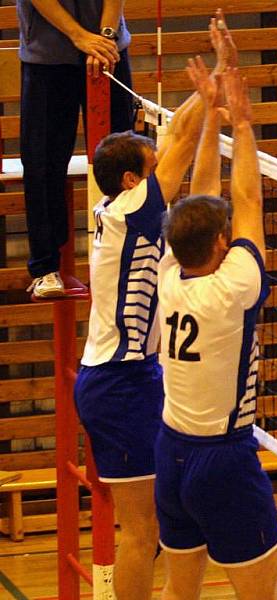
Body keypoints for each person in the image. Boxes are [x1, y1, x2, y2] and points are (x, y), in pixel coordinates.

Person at [73, 12, 236, 600]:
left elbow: (170, 145)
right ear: (128, 181)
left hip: (130, 376)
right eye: (146, 171)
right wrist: (211, 87)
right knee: (142, 532)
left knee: (160, 528)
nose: (156, 173)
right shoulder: (131, 212)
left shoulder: (117, 208)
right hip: (119, 383)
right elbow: (181, 148)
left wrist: (208, 91)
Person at [155, 63, 277, 600]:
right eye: (224, 234)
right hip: (224, 460)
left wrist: (211, 111)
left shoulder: (167, 273)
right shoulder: (233, 287)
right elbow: (248, 200)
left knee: (180, 594)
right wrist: (243, 115)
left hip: (171, 451)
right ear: (217, 246)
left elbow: (200, 194)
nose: (233, 236)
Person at [17, 0, 135, 298]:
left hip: (109, 52)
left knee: (124, 160)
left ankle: (125, 259)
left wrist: (106, 37)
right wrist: (79, 36)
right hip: (47, 56)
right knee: (42, 163)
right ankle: (46, 268)